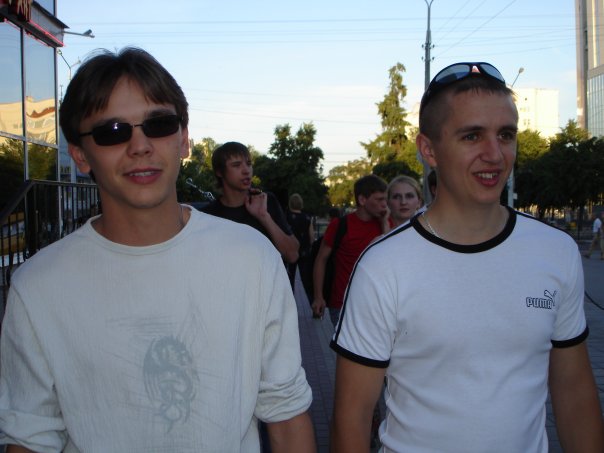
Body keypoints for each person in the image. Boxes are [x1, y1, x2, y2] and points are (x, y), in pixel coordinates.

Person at [0, 47, 315, 453]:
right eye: (112, 131)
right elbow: (30, 438)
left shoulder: (252, 259)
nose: (140, 145)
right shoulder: (39, 288)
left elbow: (287, 418)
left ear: (183, 139)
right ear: (80, 155)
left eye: (160, 124)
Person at [331, 62, 604, 452]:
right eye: (472, 136)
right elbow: (352, 416)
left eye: (505, 135)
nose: (494, 154)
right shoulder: (383, 266)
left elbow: (574, 392)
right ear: (429, 150)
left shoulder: (555, 251)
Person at [311, 175, 389, 327]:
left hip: (376, 305)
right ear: (362, 200)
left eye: (385, 199)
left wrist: (385, 225)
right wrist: (318, 296)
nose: (384, 205)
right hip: (342, 304)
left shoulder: (386, 223)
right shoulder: (340, 225)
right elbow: (321, 260)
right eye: (379, 199)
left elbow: (390, 259)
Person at [202, 141, 299, 264]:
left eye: (249, 164)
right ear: (219, 172)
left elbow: (292, 255)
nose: (246, 171)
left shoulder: (266, 201)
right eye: (236, 165)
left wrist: (264, 217)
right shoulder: (207, 216)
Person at [286, 194, 314, 290]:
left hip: (290, 252)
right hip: (304, 252)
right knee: (304, 277)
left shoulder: (287, 217)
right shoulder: (307, 218)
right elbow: (311, 237)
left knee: (290, 277)